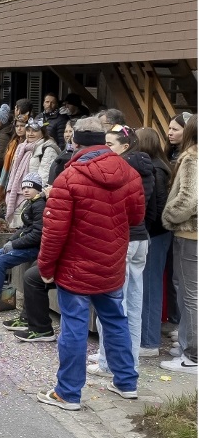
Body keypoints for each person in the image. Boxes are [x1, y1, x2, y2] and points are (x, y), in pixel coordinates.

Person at [36, 117, 143, 411]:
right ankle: (126, 382)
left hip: (76, 267)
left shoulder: (68, 178)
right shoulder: (130, 173)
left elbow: (54, 231)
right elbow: (136, 218)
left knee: (74, 326)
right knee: (115, 320)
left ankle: (68, 393)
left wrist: (46, 268)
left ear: (75, 143)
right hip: (110, 262)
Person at [88, 126, 152, 377]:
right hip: (141, 238)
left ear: (125, 147)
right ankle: (129, 362)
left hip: (122, 240)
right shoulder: (147, 169)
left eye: (110, 144)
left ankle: (108, 362)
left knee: (113, 305)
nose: (105, 149)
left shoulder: (119, 171)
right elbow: (151, 208)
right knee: (133, 306)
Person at [0, 173, 45, 319]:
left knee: (0, 262)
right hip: (24, 243)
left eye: (30, 188)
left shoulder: (40, 206)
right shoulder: (31, 203)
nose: (26, 191)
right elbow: (25, 228)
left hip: (34, 248)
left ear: (38, 189)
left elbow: (37, 234)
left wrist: (14, 244)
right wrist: (11, 240)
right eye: (24, 188)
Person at [160, 115, 197, 373]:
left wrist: (168, 216)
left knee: (190, 295)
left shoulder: (191, 158)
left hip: (189, 233)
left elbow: (188, 198)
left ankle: (192, 355)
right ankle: (186, 345)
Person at [135, 127, 172, 356]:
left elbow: (156, 206)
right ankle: (148, 338)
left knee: (150, 287)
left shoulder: (155, 169)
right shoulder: (161, 165)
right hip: (159, 233)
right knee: (150, 285)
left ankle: (149, 342)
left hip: (155, 234)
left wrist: (145, 231)